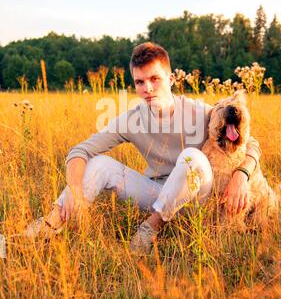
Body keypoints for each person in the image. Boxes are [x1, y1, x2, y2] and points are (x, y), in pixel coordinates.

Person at [25, 42, 260, 254]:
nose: (147, 88)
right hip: (155, 194)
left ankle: (150, 228)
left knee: (192, 157)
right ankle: (49, 225)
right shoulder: (132, 120)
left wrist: (242, 174)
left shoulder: (202, 112)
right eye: (139, 82)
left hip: (196, 201)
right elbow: (80, 151)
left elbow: (251, 143)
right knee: (98, 164)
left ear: (170, 79)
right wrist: (75, 191)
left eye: (154, 79)